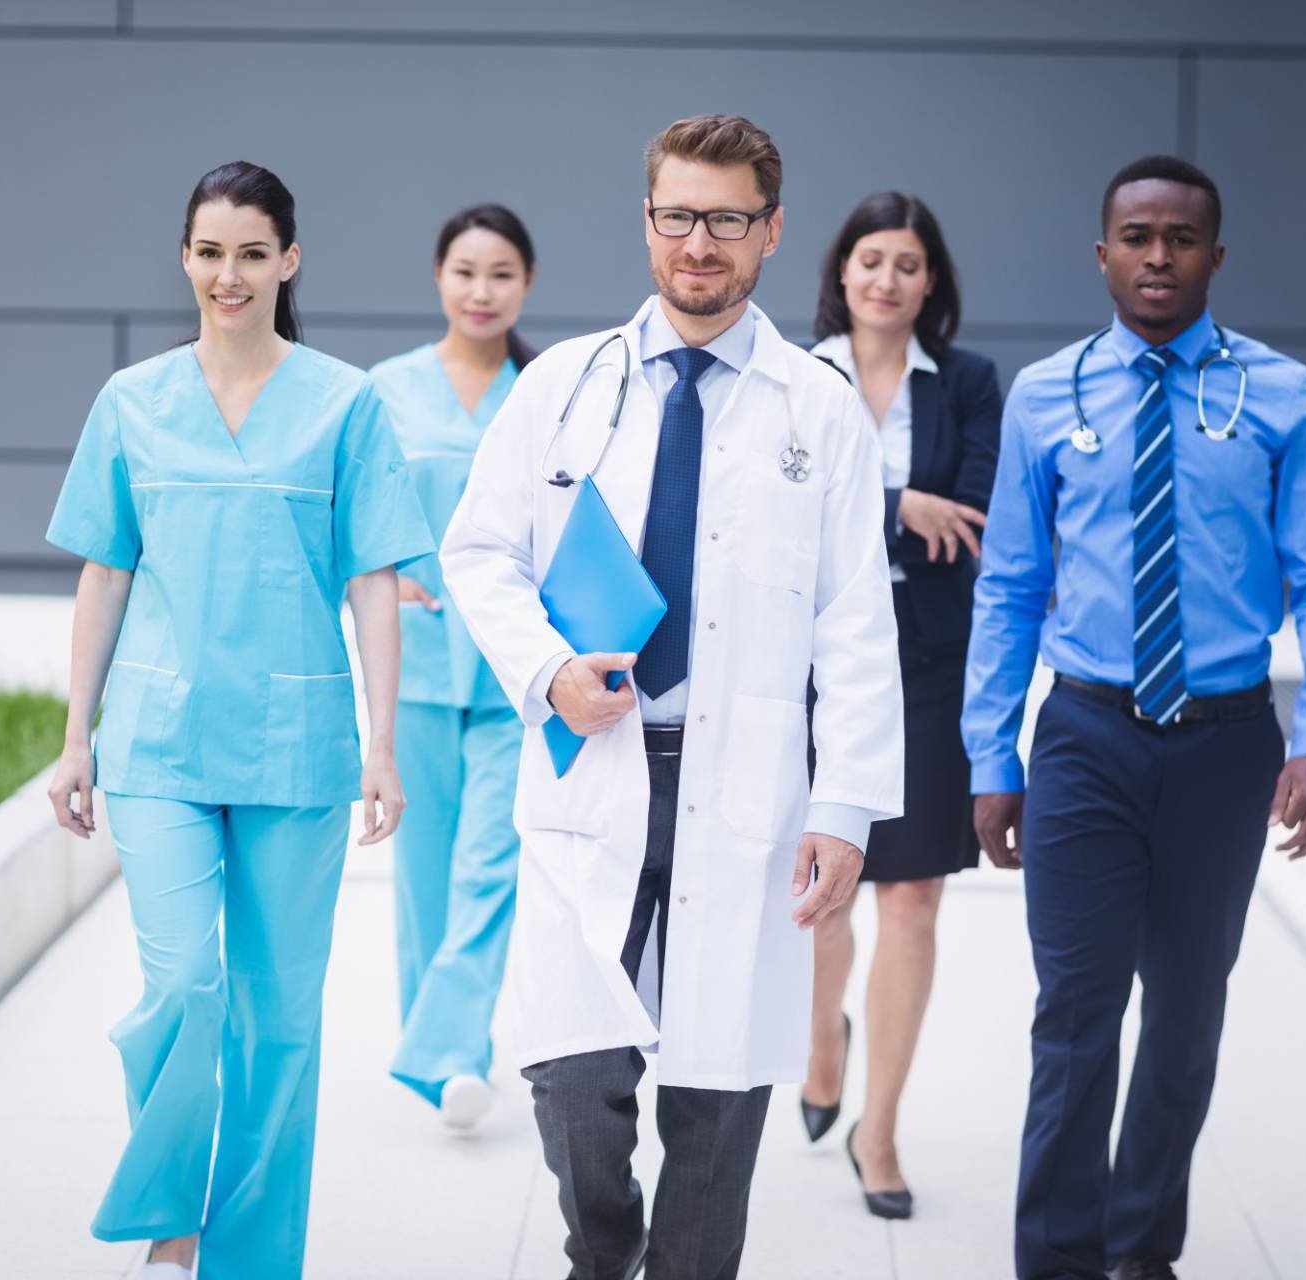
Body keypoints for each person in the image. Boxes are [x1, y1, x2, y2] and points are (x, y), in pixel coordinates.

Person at [440, 115, 902, 1280]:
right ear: (648, 221)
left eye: (729, 220)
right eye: (680, 216)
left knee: (715, 1103)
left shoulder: (819, 409)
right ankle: (603, 1253)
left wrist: (844, 807)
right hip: (596, 769)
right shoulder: (562, 385)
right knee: (575, 1080)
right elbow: (478, 552)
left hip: (742, 787)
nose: (702, 243)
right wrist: (546, 667)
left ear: (772, 231)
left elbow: (856, 623)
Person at [962, 155, 1306, 1280]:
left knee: (1186, 1017)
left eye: (1180, 238)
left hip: (1226, 745)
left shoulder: (1281, 395)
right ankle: (1054, 1258)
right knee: (1075, 1016)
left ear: (1215, 257)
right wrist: (990, 753)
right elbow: (1008, 586)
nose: (1157, 256)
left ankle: (1143, 1249)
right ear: (1102, 253)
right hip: (1086, 736)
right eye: (1136, 236)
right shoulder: (1049, 396)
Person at [43, 160, 432, 1280]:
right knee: (182, 984)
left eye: (252, 252)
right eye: (211, 251)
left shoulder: (347, 403)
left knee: (279, 1019)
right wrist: (77, 734)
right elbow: (105, 574)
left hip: (296, 747)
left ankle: (253, 1259)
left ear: (289, 260)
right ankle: (169, 1214)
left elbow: (371, 580)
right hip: (158, 744)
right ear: (185, 257)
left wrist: (383, 744)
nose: (230, 273)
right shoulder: (132, 401)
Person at [800, 191, 1000, 1220]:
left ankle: (879, 1128)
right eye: (871, 259)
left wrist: (874, 515)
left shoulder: (967, 384)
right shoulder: (792, 377)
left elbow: (964, 519)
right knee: (822, 891)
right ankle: (821, 1032)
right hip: (805, 666)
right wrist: (892, 507)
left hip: (927, 667)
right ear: (842, 270)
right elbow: (779, 517)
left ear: (932, 282)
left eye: (908, 263)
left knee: (910, 897)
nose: (887, 278)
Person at [369, 204, 537, 1129]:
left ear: (527, 285)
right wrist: (380, 583)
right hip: (421, 665)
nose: (482, 291)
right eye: (467, 271)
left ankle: (445, 1050)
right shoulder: (386, 390)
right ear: (440, 276)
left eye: (502, 273)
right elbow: (347, 514)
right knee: (424, 876)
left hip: (514, 667)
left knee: (490, 869)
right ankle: (452, 1063)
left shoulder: (545, 391)